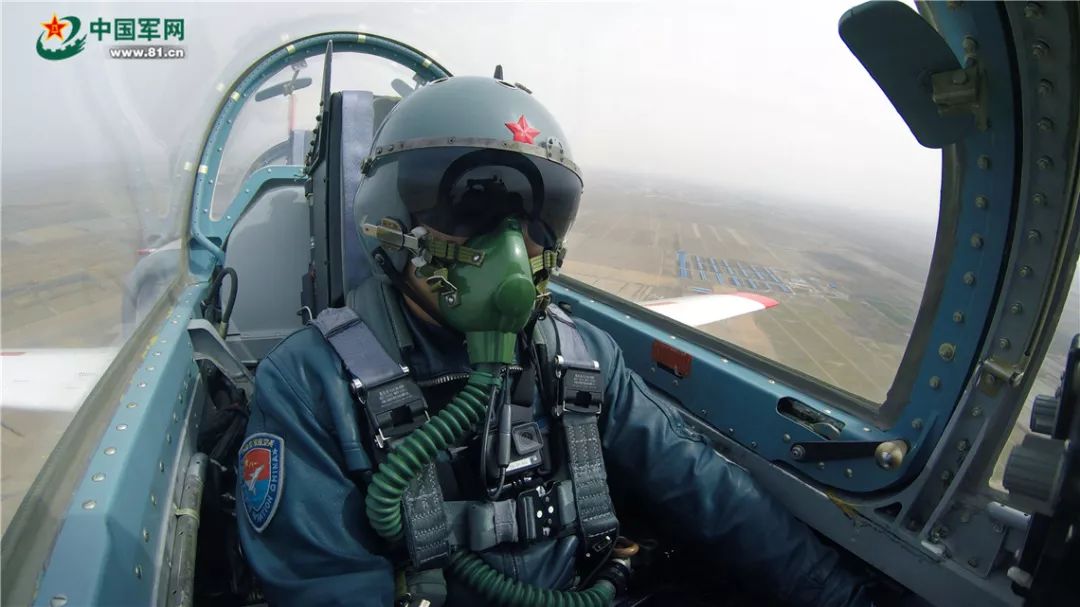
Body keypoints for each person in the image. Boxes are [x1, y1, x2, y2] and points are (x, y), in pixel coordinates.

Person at [236, 75, 871, 607]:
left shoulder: (581, 357)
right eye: (470, 207)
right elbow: (328, 584)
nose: (513, 247)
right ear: (390, 219)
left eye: (542, 217)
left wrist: (843, 598)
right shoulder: (311, 384)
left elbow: (705, 488)